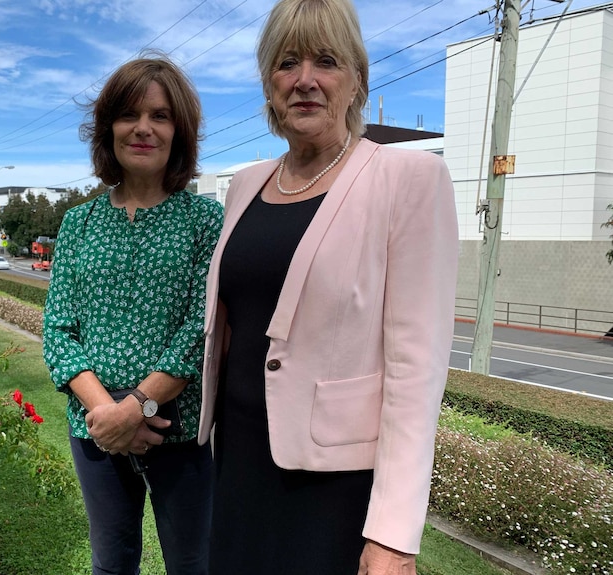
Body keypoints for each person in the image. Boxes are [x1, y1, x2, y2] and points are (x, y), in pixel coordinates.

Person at [197, 1, 459, 573]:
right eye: (287, 63)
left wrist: (392, 534)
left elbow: (417, 369)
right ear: (269, 84)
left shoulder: (408, 179)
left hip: (333, 481)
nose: (305, 80)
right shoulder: (244, 184)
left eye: (327, 61)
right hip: (240, 457)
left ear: (357, 80)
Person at [43, 54, 223, 575]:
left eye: (161, 116)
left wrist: (137, 408)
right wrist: (108, 416)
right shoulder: (78, 224)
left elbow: (201, 327)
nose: (143, 128)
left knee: (193, 564)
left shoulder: (205, 219)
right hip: (95, 428)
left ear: (179, 131)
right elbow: (58, 329)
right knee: (111, 562)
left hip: (178, 427)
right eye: (129, 115)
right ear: (108, 129)